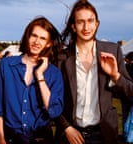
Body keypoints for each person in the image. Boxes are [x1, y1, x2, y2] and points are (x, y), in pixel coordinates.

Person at [55, 0, 133, 144]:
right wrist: (67, 128)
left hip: (104, 134)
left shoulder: (112, 51)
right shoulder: (62, 57)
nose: (86, 27)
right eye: (80, 22)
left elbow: (130, 93)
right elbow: (53, 99)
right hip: (71, 135)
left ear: (97, 24)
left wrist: (115, 76)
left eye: (90, 21)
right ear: (73, 26)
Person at [0, 16, 64, 144]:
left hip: (42, 139)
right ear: (27, 36)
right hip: (11, 139)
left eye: (42, 38)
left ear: (49, 43)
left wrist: (40, 76)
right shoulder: (7, 65)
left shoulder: (54, 73)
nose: (37, 41)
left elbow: (54, 111)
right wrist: (1, 139)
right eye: (34, 36)